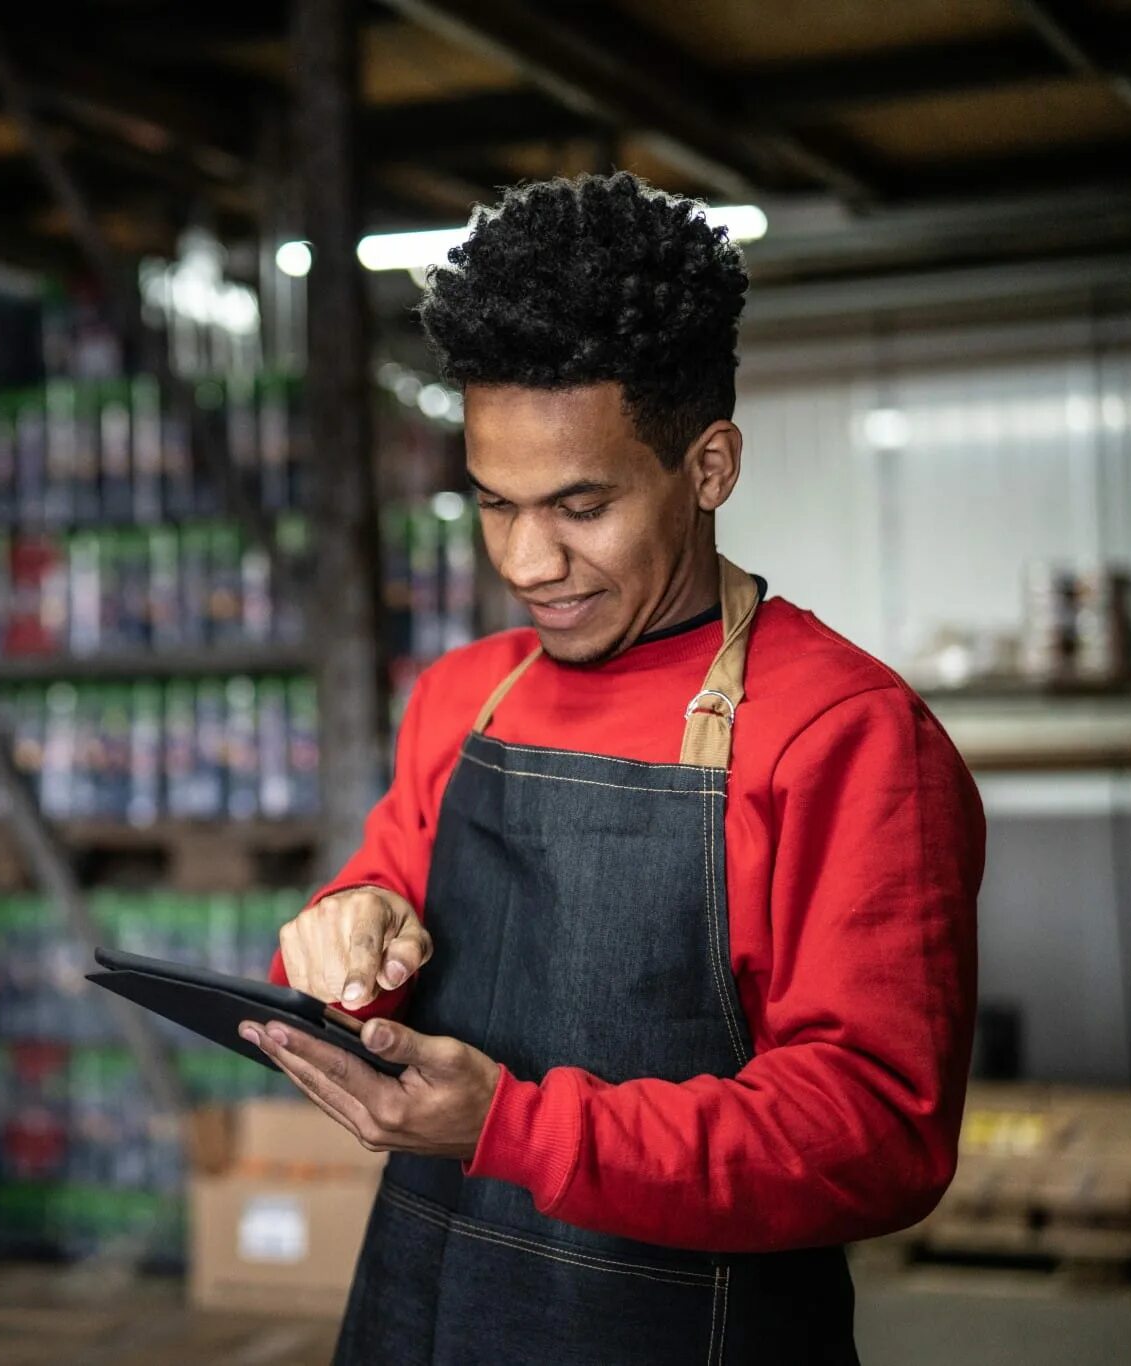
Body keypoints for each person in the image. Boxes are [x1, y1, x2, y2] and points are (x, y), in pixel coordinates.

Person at [240, 172, 983, 1364]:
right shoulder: (462, 696)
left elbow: (872, 1134)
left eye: (580, 504)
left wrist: (516, 1127)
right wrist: (346, 936)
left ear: (707, 467)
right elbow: (368, 918)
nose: (528, 560)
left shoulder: (844, 734)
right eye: (492, 503)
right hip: (416, 1310)